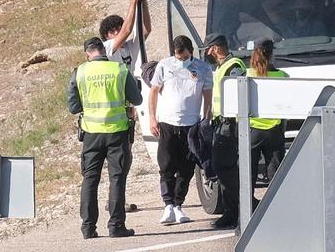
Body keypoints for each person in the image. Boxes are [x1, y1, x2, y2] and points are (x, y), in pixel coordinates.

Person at [68, 36, 143, 239]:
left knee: (90, 179)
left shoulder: (80, 72)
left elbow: (73, 107)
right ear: (104, 50)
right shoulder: (119, 70)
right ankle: (116, 225)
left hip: (91, 134)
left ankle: (88, 228)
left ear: (87, 54)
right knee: (117, 178)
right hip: (117, 132)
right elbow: (137, 98)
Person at [147, 35, 209, 226]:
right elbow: (154, 92)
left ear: (190, 52)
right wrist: (152, 117)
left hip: (191, 124)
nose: (180, 59)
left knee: (186, 168)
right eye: (177, 56)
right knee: (166, 166)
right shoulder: (165, 65)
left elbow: (208, 94)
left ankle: (178, 205)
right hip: (167, 123)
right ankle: (168, 205)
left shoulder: (202, 68)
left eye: (183, 56)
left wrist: (206, 118)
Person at [203, 34, 246, 228]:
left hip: (231, 124)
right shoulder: (221, 67)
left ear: (216, 48)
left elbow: (238, 93)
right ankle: (234, 210)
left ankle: (244, 207)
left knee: (225, 167)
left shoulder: (234, 66)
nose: (208, 52)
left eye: (209, 48)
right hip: (221, 123)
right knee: (223, 168)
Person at [246, 38, 291, 180]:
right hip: (274, 131)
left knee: (249, 172)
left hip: (252, 130)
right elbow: (287, 105)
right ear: (271, 54)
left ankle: (250, 202)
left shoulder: (247, 75)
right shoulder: (282, 76)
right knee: (276, 175)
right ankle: (275, 202)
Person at [98, 0, 150, 78]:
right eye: (112, 31)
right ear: (106, 37)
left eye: (119, 28)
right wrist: (133, 1)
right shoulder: (106, 48)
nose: (117, 33)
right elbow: (126, 31)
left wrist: (143, 2)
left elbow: (146, 30)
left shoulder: (129, 47)